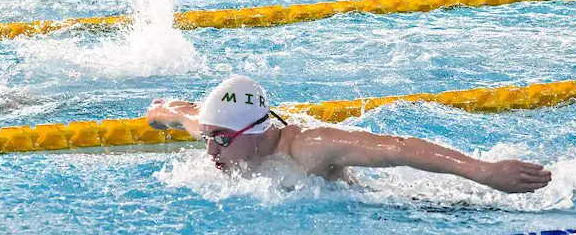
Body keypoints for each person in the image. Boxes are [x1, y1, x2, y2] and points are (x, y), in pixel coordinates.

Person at [146, 75, 552, 193]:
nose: (209, 150)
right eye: (207, 137)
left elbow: (399, 148)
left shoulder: (309, 147)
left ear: (257, 129)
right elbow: (177, 111)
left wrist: (483, 172)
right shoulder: (219, 129)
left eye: (220, 139)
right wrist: (157, 113)